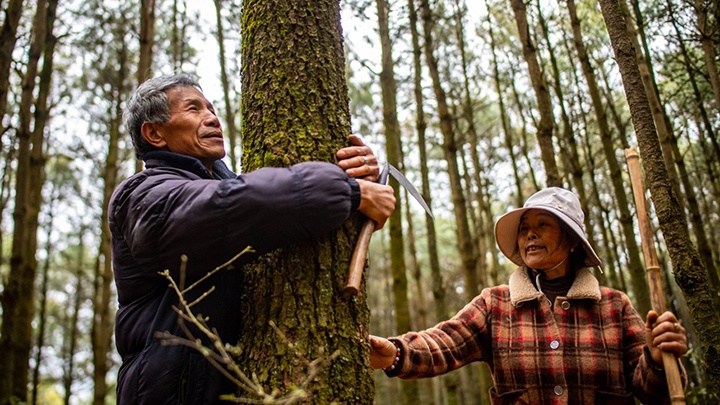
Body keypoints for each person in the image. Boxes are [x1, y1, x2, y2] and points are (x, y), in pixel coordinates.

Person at [109, 74, 395, 404]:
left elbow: (258, 208)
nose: (212, 118)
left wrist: (357, 187)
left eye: (211, 108)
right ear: (154, 133)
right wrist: (345, 190)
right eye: (193, 109)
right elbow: (232, 207)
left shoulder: (229, 193)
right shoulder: (142, 195)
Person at [370, 187, 688, 404]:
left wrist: (657, 358)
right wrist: (395, 352)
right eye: (524, 228)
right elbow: (445, 343)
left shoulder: (614, 306)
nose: (530, 234)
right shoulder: (495, 304)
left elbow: (652, 393)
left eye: (543, 224)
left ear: (572, 240)